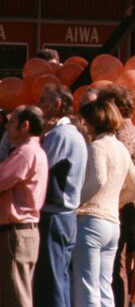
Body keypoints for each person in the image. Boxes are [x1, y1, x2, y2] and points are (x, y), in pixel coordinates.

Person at [74, 98, 135, 307]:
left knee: (87, 285)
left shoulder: (97, 147)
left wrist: (75, 203)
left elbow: (98, 180)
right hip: (112, 222)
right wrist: (116, 201)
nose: (82, 126)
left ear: (94, 121)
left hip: (91, 221)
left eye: (85, 121)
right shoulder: (120, 148)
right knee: (105, 284)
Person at [34, 84, 87, 307]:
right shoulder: (71, 134)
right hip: (65, 214)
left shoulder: (61, 135)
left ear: (57, 105)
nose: (39, 105)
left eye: (44, 100)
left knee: (51, 278)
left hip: (55, 214)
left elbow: (39, 167)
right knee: (60, 276)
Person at [97, 85, 135, 307]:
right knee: (117, 261)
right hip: (124, 203)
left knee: (115, 263)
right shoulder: (128, 132)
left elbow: (118, 174)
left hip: (120, 203)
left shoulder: (121, 135)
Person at [0, 105, 48, 307]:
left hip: (15, 234)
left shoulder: (26, 152)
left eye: (11, 122)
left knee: (16, 296)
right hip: (21, 233)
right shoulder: (32, 151)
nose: (7, 127)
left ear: (25, 125)